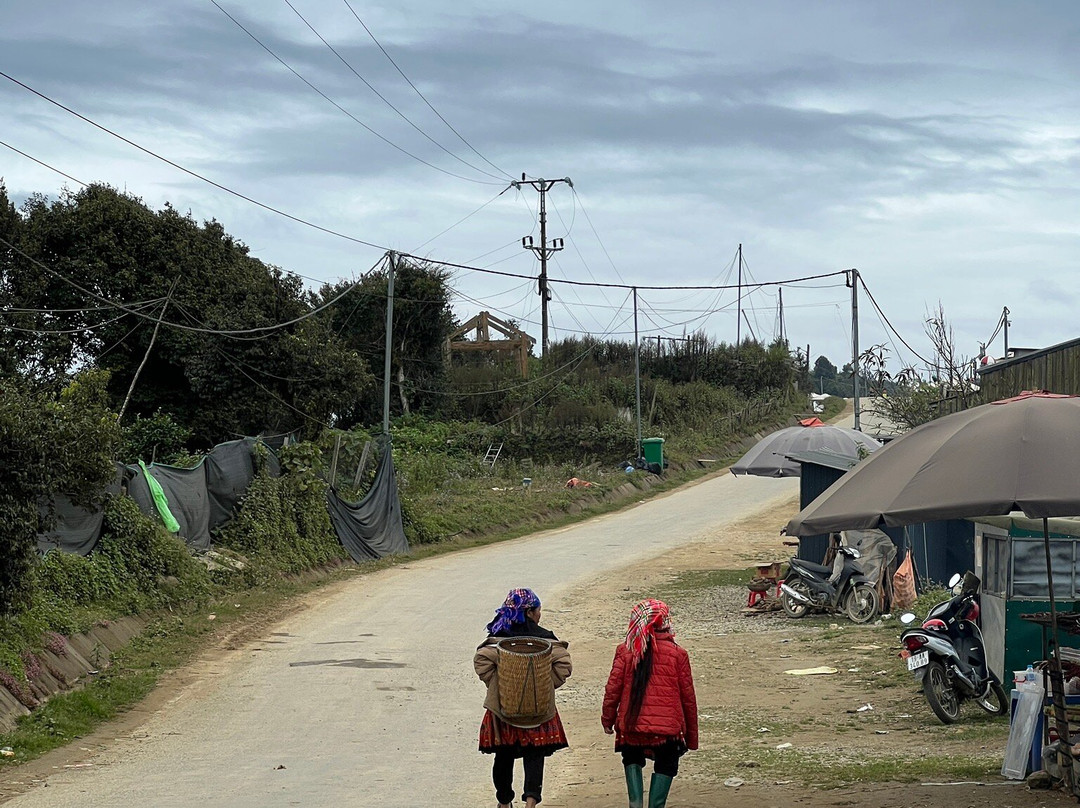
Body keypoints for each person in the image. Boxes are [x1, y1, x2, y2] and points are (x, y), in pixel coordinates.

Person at [474, 588, 572, 808]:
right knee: (535, 755)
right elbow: (564, 664)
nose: (540, 614)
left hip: (504, 712)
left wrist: (500, 685)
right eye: (538, 610)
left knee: (503, 755)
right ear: (529, 612)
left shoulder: (499, 640)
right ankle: (530, 803)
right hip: (538, 710)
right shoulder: (545, 640)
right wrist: (545, 686)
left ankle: (505, 802)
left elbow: (481, 661)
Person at [602, 598, 698, 808]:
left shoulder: (625, 651)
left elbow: (612, 690)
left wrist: (607, 720)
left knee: (631, 760)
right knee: (666, 765)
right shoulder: (678, 654)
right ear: (664, 622)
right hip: (668, 732)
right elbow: (688, 699)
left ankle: (635, 804)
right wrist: (691, 738)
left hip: (631, 727)